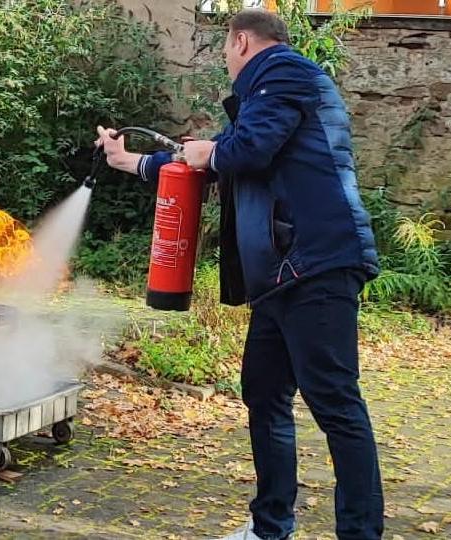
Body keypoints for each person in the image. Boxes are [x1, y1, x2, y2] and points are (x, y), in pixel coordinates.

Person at [95, 8, 384, 540]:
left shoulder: (285, 73)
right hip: (281, 276)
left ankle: (360, 534)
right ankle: (271, 527)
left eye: (227, 48)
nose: (227, 60)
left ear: (244, 41)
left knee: (336, 404)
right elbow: (211, 161)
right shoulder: (263, 97)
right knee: (265, 393)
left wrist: (213, 151)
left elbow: (246, 151)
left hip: (316, 266)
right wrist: (130, 162)